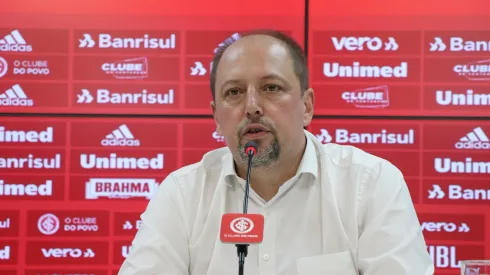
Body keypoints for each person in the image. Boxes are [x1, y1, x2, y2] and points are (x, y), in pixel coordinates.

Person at [118, 29, 435, 275]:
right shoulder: (184, 194)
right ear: (216, 116)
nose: (252, 107)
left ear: (307, 106)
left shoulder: (370, 184)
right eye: (234, 93)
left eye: (271, 88)